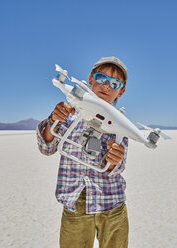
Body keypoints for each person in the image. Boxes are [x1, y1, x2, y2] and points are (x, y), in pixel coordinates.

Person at [36, 56, 130, 248]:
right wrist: (54, 119)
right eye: (101, 78)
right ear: (90, 80)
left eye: (114, 83)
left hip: (112, 203)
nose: (106, 86)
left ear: (121, 91)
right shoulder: (69, 115)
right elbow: (47, 148)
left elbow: (116, 167)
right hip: (74, 204)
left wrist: (114, 159)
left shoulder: (119, 125)